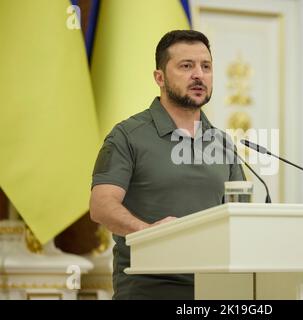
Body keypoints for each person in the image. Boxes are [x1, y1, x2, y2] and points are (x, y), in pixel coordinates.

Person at [89, 30, 246, 300]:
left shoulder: (222, 143)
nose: (199, 75)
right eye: (186, 66)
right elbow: (101, 206)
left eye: (206, 67)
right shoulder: (127, 135)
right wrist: (148, 233)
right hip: (149, 290)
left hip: (218, 291)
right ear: (159, 78)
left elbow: (243, 214)